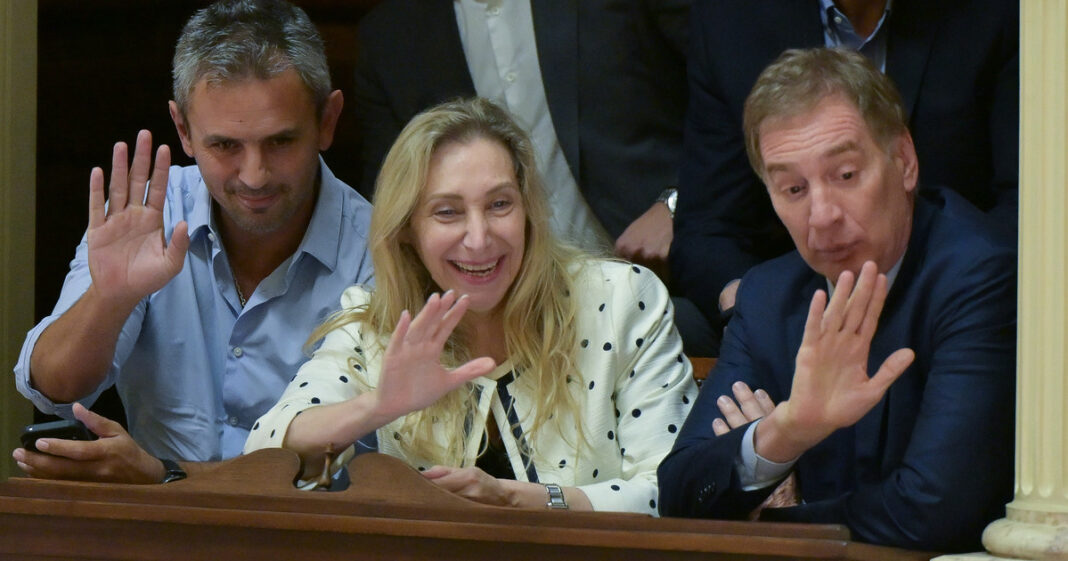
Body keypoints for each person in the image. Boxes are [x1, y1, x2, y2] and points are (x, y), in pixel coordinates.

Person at [245, 98, 697, 514]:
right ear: (406, 229)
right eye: (447, 212)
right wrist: (377, 406)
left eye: (499, 204)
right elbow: (264, 451)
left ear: (528, 211)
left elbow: (676, 491)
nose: (479, 240)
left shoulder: (620, 300)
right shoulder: (378, 321)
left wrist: (522, 500)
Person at [657, 48, 1016, 552]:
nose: (822, 215)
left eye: (845, 175)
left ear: (904, 160)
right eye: (793, 189)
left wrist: (775, 514)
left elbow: (932, 511)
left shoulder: (979, 275)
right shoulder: (768, 296)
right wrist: (786, 431)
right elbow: (677, 496)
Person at [12, 0, 373, 484]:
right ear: (182, 129)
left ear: (328, 121)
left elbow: (348, 476)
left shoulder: (380, 250)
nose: (254, 175)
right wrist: (109, 299)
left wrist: (163, 475)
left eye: (280, 142)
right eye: (225, 145)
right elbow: (53, 389)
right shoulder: (152, 214)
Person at [349, 0, 716, 356]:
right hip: (483, 323)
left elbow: (729, 103)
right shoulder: (390, 32)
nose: (477, 234)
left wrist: (677, 202)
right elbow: (389, 202)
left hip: (660, 280)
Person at [670, 0, 1019, 329]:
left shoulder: (1000, 13)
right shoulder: (731, 16)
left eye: (847, 174)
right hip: (798, 310)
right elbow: (707, 227)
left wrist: (957, 302)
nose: (824, 215)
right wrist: (758, 314)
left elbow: (1027, 206)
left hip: (960, 295)